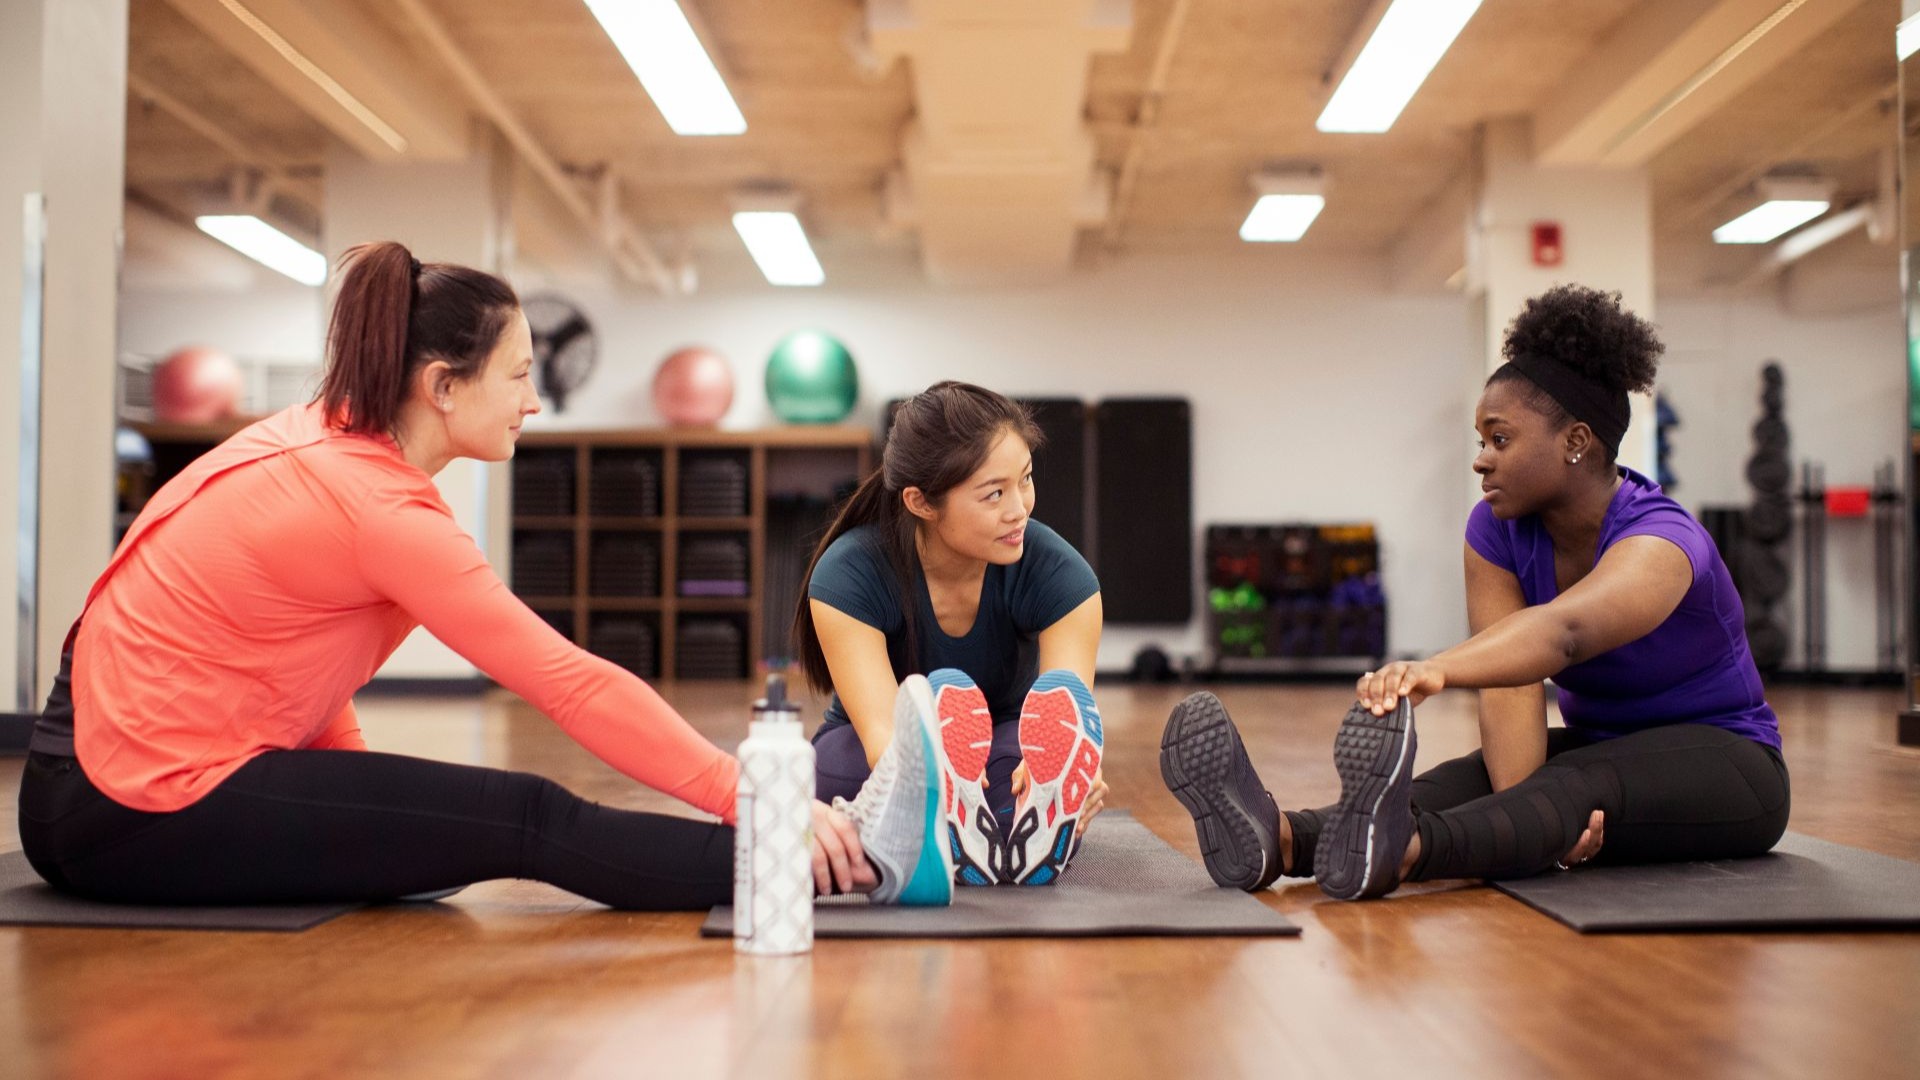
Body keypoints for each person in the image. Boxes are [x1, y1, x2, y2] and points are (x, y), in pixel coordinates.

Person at [17, 241, 951, 911]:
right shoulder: (377, 506)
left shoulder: (315, 438)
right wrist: (761, 797)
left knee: (444, 842)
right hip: (126, 801)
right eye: (516, 376)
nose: (533, 402)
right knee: (523, 815)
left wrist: (368, 819)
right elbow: (571, 684)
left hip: (95, 779)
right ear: (441, 385)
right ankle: (835, 858)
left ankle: (808, 841)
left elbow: (297, 661)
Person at [1161, 284, 1789, 900]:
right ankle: (1284, 839)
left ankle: (1405, 853)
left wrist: (1434, 671)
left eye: (1501, 439)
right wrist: (1531, 826)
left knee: (1574, 781)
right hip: (1616, 748)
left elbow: (1561, 635)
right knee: (1469, 777)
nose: (1482, 460)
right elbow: (1512, 682)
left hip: (1732, 765)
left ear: (1575, 442)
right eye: (1481, 441)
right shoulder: (1496, 531)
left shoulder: (1664, 541)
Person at [793, 382, 1107, 886]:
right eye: (994, 494)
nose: (1019, 508)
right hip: (880, 754)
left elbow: (1064, 716)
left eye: (1024, 480)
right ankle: (980, 830)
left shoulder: (1062, 576)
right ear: (920, 502)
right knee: (823, 777)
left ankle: (969, 832)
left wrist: (1070, 778)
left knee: (1013, 783)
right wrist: (939, 780)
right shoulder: (848, 573)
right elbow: (880, 735)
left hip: (1000, 744)